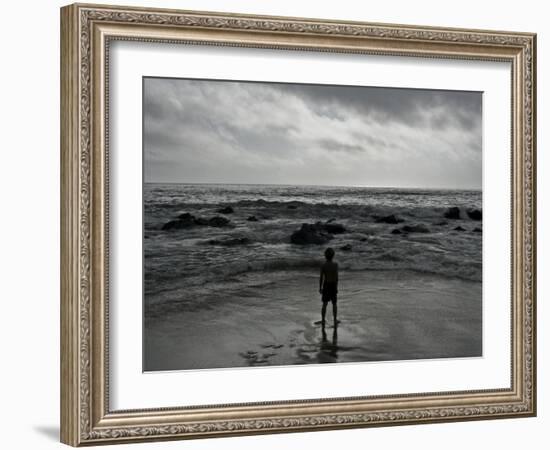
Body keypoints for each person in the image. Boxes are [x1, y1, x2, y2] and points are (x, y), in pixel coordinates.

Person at [319, 247, 339, 326]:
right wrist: (336, 287)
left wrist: (320, 288)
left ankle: (323, 320)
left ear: (325, 255)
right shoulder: (335, 265)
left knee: (324, 304)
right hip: (333, 285)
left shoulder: (323, 265)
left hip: (326, 285)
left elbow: (321, 278)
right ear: (333, 255)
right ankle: (335, 319)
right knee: (334, 304)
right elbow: (336, 278)